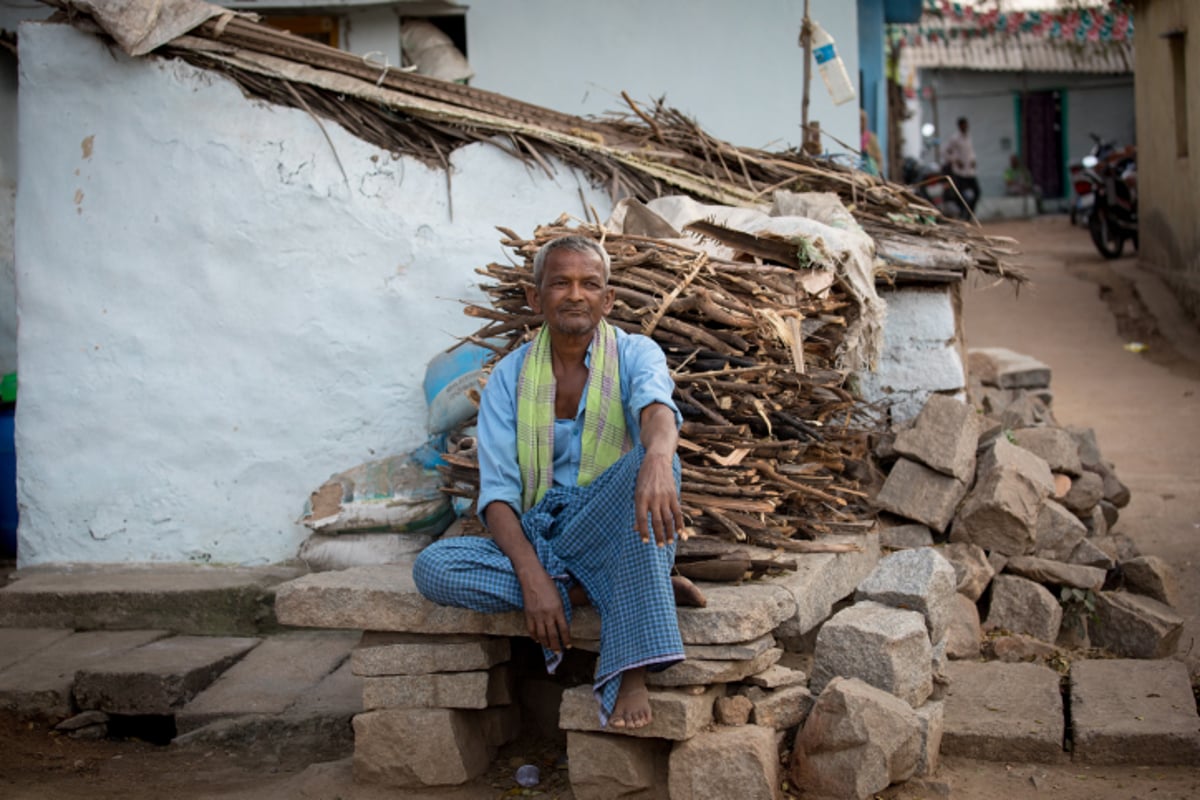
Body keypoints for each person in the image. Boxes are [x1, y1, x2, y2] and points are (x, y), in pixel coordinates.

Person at [413, 235, 705, 731]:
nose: (575, 295)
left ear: (607, 299)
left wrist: (657, 455)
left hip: (611, 527)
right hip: (543, 535)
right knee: (434, 567)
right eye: (560, 283)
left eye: (590, 284)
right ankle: (608, 589)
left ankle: (631, 665)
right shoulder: (509, 377)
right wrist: (534, 579)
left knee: (658, 465)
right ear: (536, 298)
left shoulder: (636, 353)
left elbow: (657, 409)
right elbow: (499, 495)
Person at [943, 116, 980, 213]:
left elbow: (970, 151)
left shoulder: (968, 136)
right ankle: (963, 213)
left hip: (970, 171)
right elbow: (945, 152)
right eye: (963, 125)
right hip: (959, 172)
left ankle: (969, 213)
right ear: (959, 126)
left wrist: (973, 159)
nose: (965, 127)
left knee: (977, 192)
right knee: (959, 194)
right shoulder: (954, 138)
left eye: (966, 125)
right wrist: (955, 160)